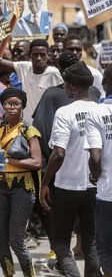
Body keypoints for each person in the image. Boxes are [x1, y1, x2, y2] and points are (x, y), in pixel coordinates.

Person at [40, 61, 100, 276]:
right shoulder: (102, 112)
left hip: (67, 187)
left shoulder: (65, 113)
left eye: (65, 84)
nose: (64, 88)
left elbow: (58, 154)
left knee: (60, 240)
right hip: (95, 187)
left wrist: (45, 182)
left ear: (73, 86)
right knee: (90, 241)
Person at [0, 88, 42, 277]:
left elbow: (36, 162)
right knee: (0, 240)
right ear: (3, 106)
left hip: (22, 187)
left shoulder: (29, 130)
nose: (12, 107)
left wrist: (11, 162)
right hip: (1, 186)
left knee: (16, 240)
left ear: (22, 106)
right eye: (8, 104)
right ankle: (9, 274)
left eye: (16, 104)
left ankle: (30, 275)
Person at [0, 38, 63, 123]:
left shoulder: (53, 74)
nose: (39, 58)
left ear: (48, 55)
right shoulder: (24, 68)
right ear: (30, 55)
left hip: (47, 126)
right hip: (28, 127)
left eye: (42, 55)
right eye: (35, 54)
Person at [85, 65, 112, 277]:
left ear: (104, 84)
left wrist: (94, 176)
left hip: (107, 194)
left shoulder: (97, 112)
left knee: (107, 253)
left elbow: (95, 157)